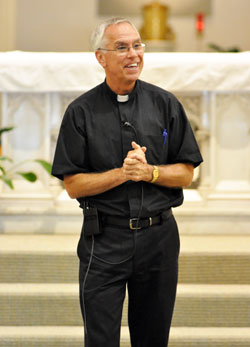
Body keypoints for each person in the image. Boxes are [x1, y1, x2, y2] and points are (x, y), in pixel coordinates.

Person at [52, 17, 203, 347]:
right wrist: (123, 173)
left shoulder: (166, 105)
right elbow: (73, 185)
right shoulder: (80, 112)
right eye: (121, 47)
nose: (133, 54)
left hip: (159, 240)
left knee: (153, 339)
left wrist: (150, 173)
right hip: (105, 240)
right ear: (100, 57)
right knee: (101, 340)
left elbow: (187, 173)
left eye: (137, 45)